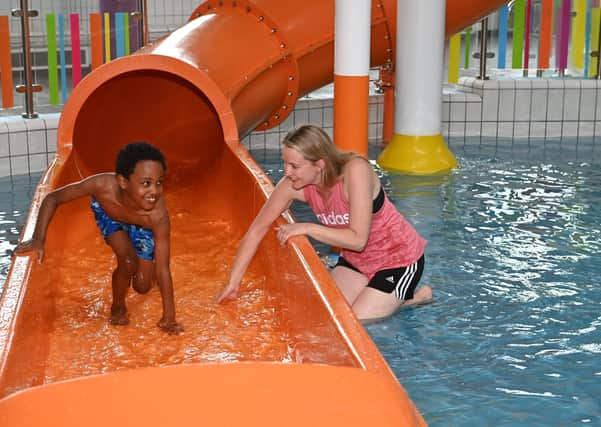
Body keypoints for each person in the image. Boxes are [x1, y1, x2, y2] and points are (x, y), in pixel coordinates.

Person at [216, 124, 432, 320]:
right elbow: (256, 230)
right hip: (357, 261)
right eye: (285, 163)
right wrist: (233, 283)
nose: (286, 172)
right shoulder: (293, 185)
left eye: (294, 166)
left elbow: (358, 240)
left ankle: (414, 298)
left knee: (356, 322)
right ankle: (383, 297)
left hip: (398, 260)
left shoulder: (354, 172)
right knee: (325, 315)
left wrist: (307, 228)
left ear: (319, 164)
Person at [14, 142, 183, 334]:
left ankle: (145, 271)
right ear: (123, 182)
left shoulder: (157, 215)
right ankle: (118, 306)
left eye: (159, 182)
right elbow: (52, 198)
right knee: (127, 261)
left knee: (143, 286)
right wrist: (38, 239)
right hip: (111, 215)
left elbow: (163, 267)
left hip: (141, 225)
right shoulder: (101, 185)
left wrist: (169, 316)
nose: (154, 191)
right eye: (146, 183)